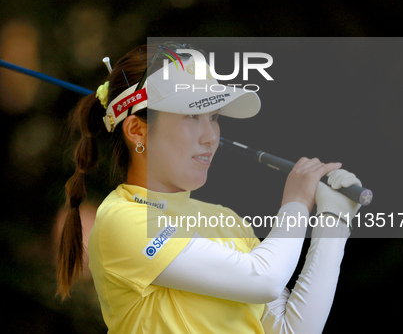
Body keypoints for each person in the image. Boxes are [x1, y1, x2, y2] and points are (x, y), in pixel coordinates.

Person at [56, 43, 363, 333]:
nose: (210, 136)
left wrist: (333, 220)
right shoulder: (121, 219)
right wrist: (296, 203)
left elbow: (293, 329)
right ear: (137, 130)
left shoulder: (227, 221)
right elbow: (264, 278)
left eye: (213, 117)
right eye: (192, 116)